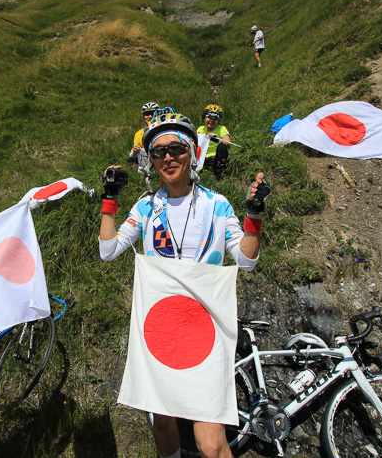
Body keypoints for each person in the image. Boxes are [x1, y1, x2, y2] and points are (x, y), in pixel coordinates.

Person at [98, 113, 270, 458]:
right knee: (163, 425)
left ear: (191, 153)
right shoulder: (146, 207)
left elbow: (247, 260)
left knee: (210, 444)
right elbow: (108, 250)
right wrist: (110, 199)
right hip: (161, 326)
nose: (167, 157)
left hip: (204, 327)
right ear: (151, 160)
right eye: (158, 152)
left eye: (176, 148)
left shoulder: (216, 204)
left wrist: (254, 213)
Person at [196, 104, 231, 180]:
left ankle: (219, 175)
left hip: (215, 158)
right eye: (209, 117)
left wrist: (216, 139)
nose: (211, 120)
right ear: (204, 118)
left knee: (223, 147)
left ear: (218, 120)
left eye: (215, 118)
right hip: (202, 158)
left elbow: (228, 143)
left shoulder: (221, 128)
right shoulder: (200, 129)